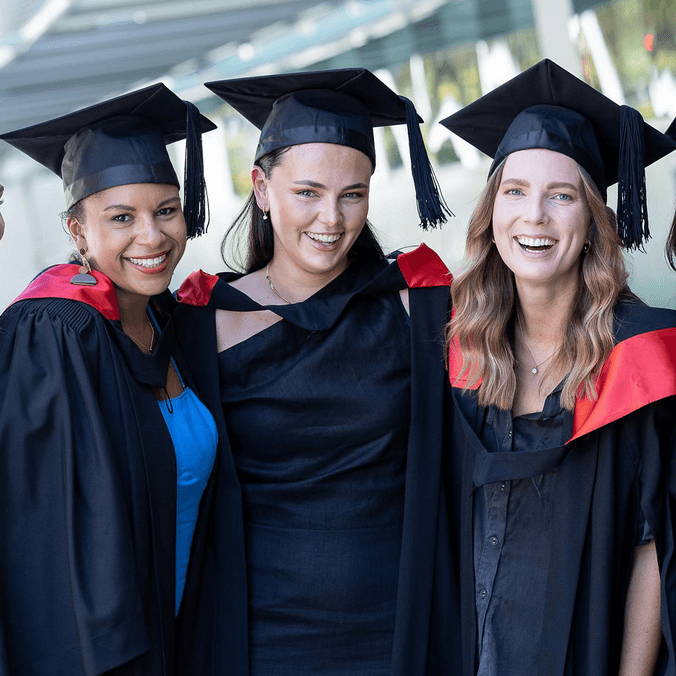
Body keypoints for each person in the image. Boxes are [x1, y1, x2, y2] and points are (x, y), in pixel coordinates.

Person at [174, 68, 460, 675]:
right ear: (261, 187)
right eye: (307, 192)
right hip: (258, 637)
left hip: (401, 626)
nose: (331, 219)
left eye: (351, 194)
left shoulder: (419, 307)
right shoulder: (202, 325)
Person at [439, 59, 676, 676]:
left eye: (562, 196)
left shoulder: (642, 358)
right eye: (514, 191)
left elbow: (654, 544)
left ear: (595, 223)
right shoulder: (451, 346)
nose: (534, 216)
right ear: (491, 214)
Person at [0, 84, 218, 675]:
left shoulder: (170, 319)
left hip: (185, 638)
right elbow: (44, 552)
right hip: (111, 657)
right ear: (76, 230)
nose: (152, 237)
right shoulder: (52, 335)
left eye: (166, 210)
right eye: (121, 217)